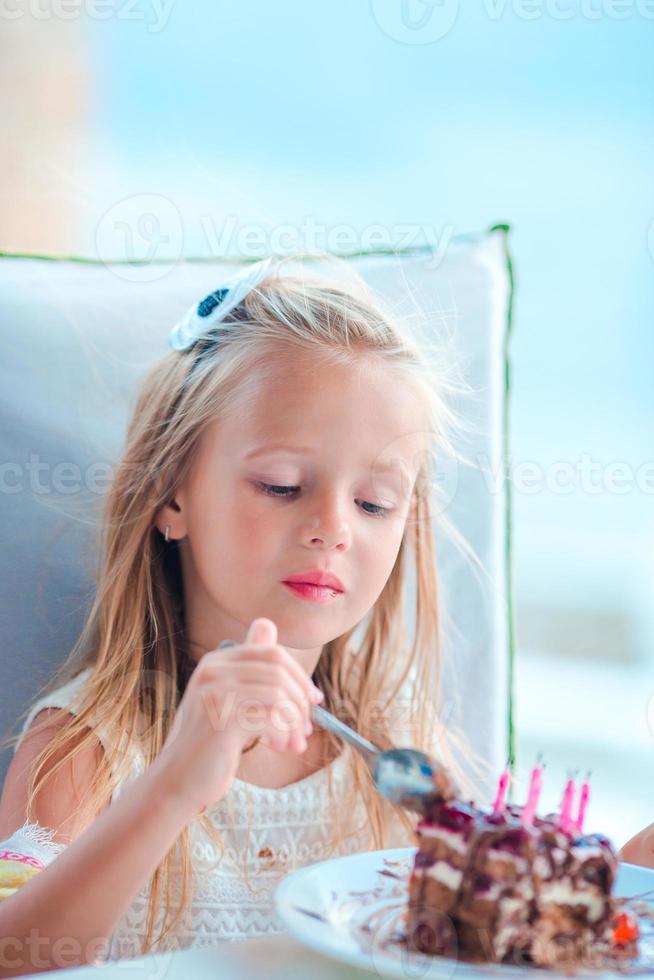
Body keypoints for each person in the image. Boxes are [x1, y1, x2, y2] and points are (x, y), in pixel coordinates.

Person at [0, 256, 481, 973]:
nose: (333, 527)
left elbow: (514, 941)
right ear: (171, 496)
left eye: (374, 503)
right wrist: (172, 786)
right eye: (282, 485)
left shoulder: (400, 759)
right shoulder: (88, 750)